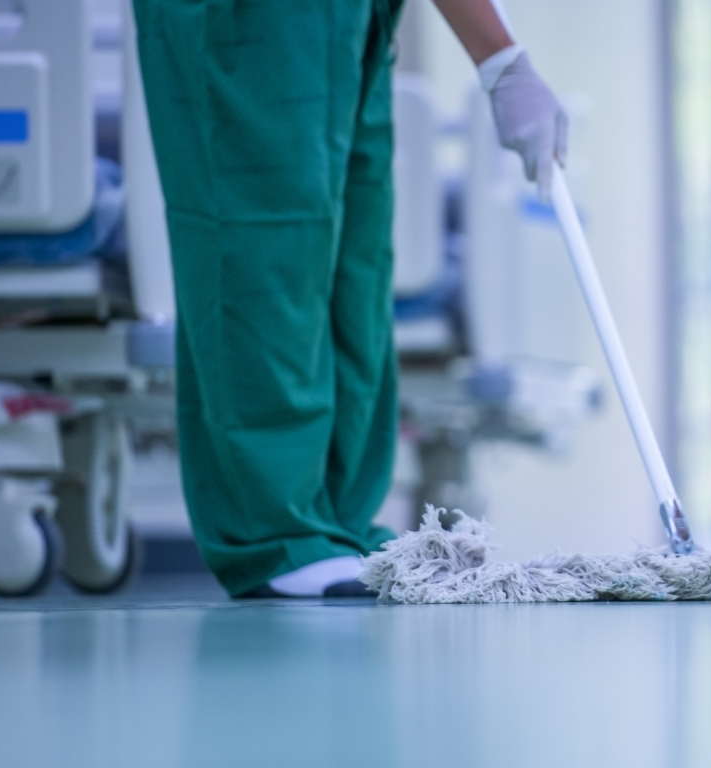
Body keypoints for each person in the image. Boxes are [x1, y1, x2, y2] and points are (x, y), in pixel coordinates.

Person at [133, 0, 566, 597]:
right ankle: (277, 534)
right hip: (251, 21)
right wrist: (498, 59)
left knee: (354, 266)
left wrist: (502, 61)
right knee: (268, 249)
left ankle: (336, 521)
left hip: (349, 20)